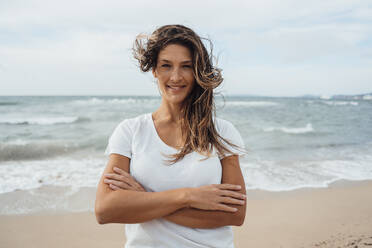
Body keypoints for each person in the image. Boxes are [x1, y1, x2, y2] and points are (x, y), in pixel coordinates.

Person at [95, 24, 247, 248]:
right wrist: (187, 197)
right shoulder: (130, 131)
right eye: (166, 65)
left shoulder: (222, 133)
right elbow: (105, 210)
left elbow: (235, 214)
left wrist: (144, 199)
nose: (175, 77)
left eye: (186, 66)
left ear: (197, 72)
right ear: (154, 70)